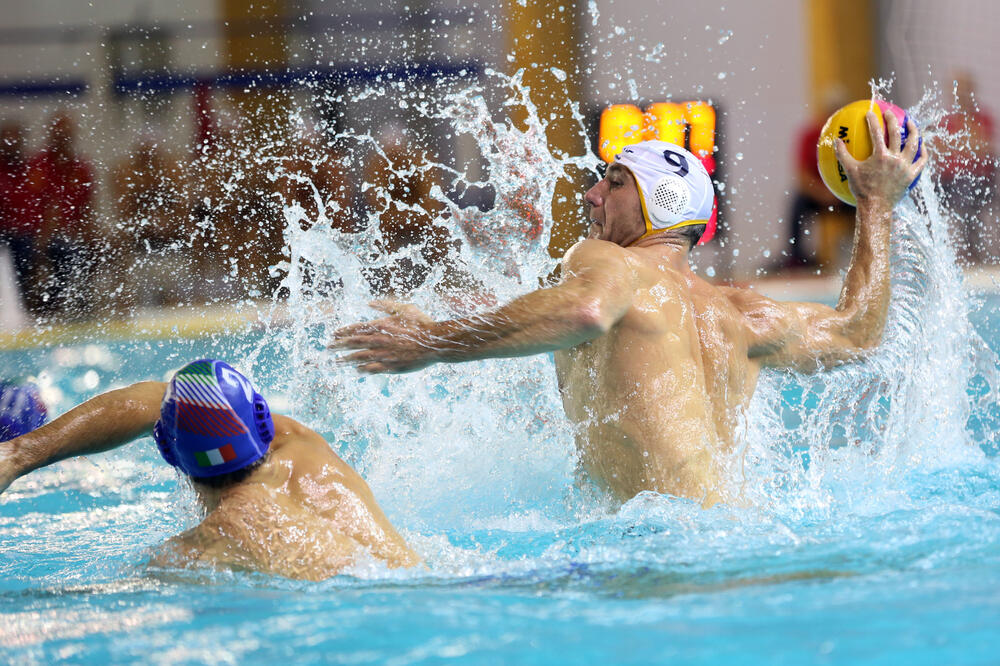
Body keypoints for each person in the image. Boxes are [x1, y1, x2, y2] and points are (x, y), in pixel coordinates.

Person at [331, 112, 927, 507]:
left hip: (648, 551)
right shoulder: (741, 313)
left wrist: (432, 343)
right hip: (729, 535)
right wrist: (876, 205)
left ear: (658, 206)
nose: (591, 195)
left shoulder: (609, 261)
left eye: (614, 183)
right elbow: (856, 335)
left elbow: (586, 309)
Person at [0, 359, 418, 580]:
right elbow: (158, 401)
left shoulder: (192, 552)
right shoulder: (306, 447)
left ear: (167, 450)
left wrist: (19, 456)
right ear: (265, 423)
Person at [935, 71, 997, 263]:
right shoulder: (946, 120)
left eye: (964, 90)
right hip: (949, 180)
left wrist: (960, 145)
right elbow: (941, 152)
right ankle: (934, 254)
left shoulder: (982, 119)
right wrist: (966, 145)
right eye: (957, 90)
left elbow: (984, 150)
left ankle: (970, 252)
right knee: (920, 194)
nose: (960, 95)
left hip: (978, 180)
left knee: (966, 189)